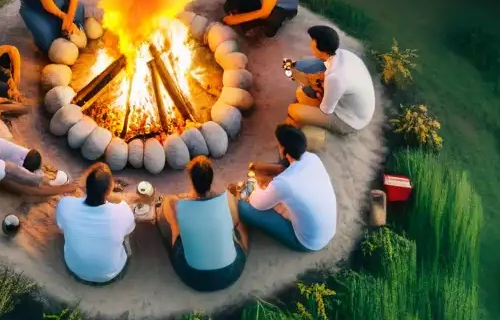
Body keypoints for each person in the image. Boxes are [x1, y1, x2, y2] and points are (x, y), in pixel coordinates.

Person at [236, 123, 337, 252]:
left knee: (243, 208)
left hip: (309, 241)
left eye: (279, 145)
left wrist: (253, 182)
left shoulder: (285, 183)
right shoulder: (313, 158)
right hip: (327, 229)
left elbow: (258, 203)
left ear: (283, 149)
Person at [156, 156, 249, 292]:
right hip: (231, 273)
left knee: (175, 229)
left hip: (194, 277)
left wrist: (173, 200)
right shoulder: (226, 197)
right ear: (211, 179)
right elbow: (235, 223)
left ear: (191, 180)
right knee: (241, 227)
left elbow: (169, 207)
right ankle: (244, 248)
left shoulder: (177, 205)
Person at [56, 163, 135, 286]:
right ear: (109, 191)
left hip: (75, 269)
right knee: (125, 233)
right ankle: (125, 257)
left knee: (68, 228)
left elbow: (61, 227)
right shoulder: (122, 211)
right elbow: (129, 229)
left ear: (86, 186)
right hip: (110, 275)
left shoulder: (66, 204)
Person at [287, 25, 376, 134]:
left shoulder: (335, 78)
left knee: (294, 109)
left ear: (320, 49)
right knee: (303, 78)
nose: (310, 44)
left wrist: (315, 91)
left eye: (312, 42)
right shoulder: (343, 54)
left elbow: (325, 111)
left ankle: (310, 136)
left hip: (350, 120)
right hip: (354, 103)